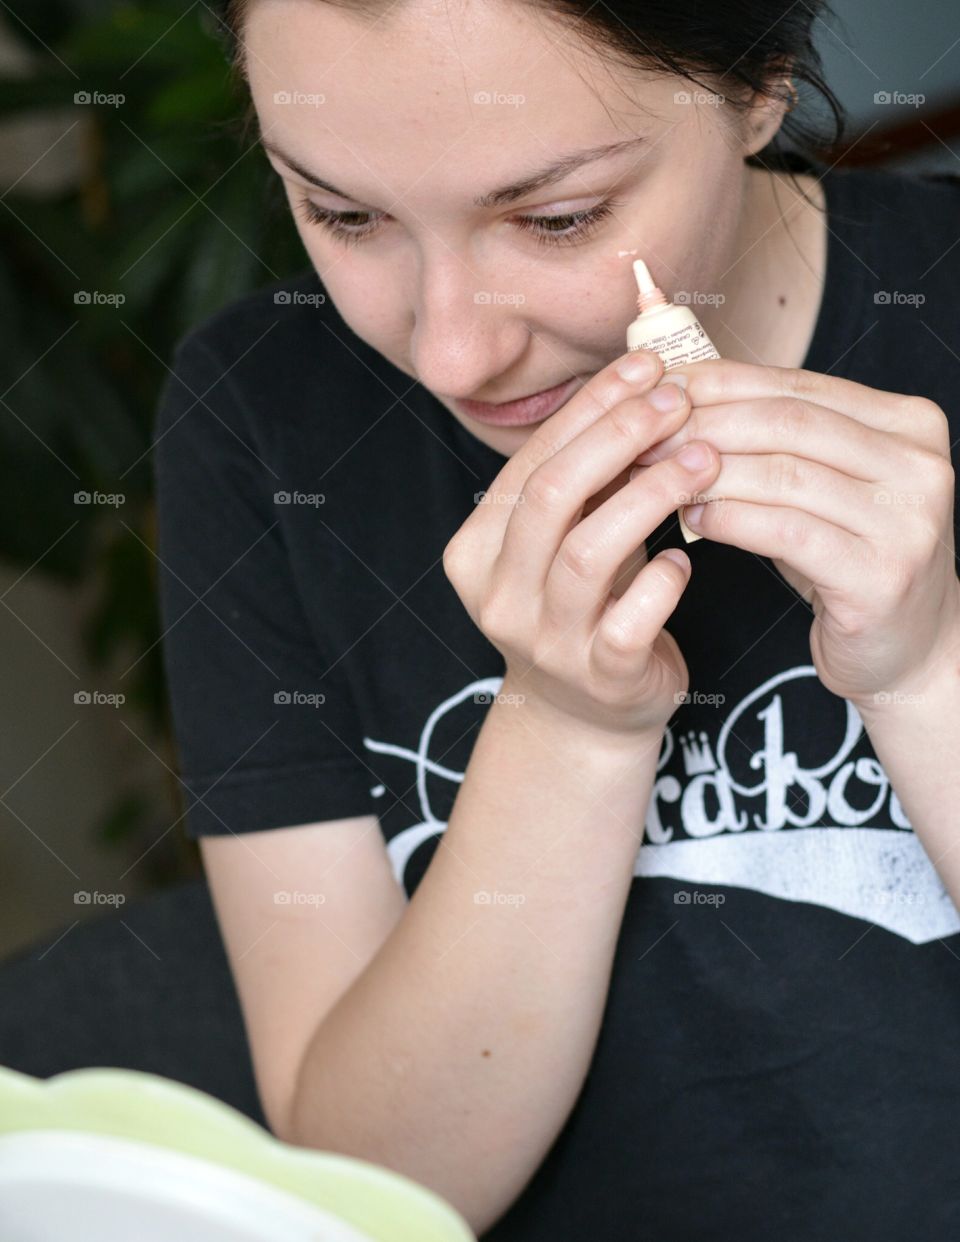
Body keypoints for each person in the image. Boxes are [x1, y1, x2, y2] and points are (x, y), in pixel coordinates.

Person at [152, 0, 960, 1237]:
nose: (455, 353)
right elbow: (373, 1195)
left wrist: (925, 671)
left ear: (762, 82)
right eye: (344, 214)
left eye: (557, 218)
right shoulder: (264, 425)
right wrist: (568, 730)